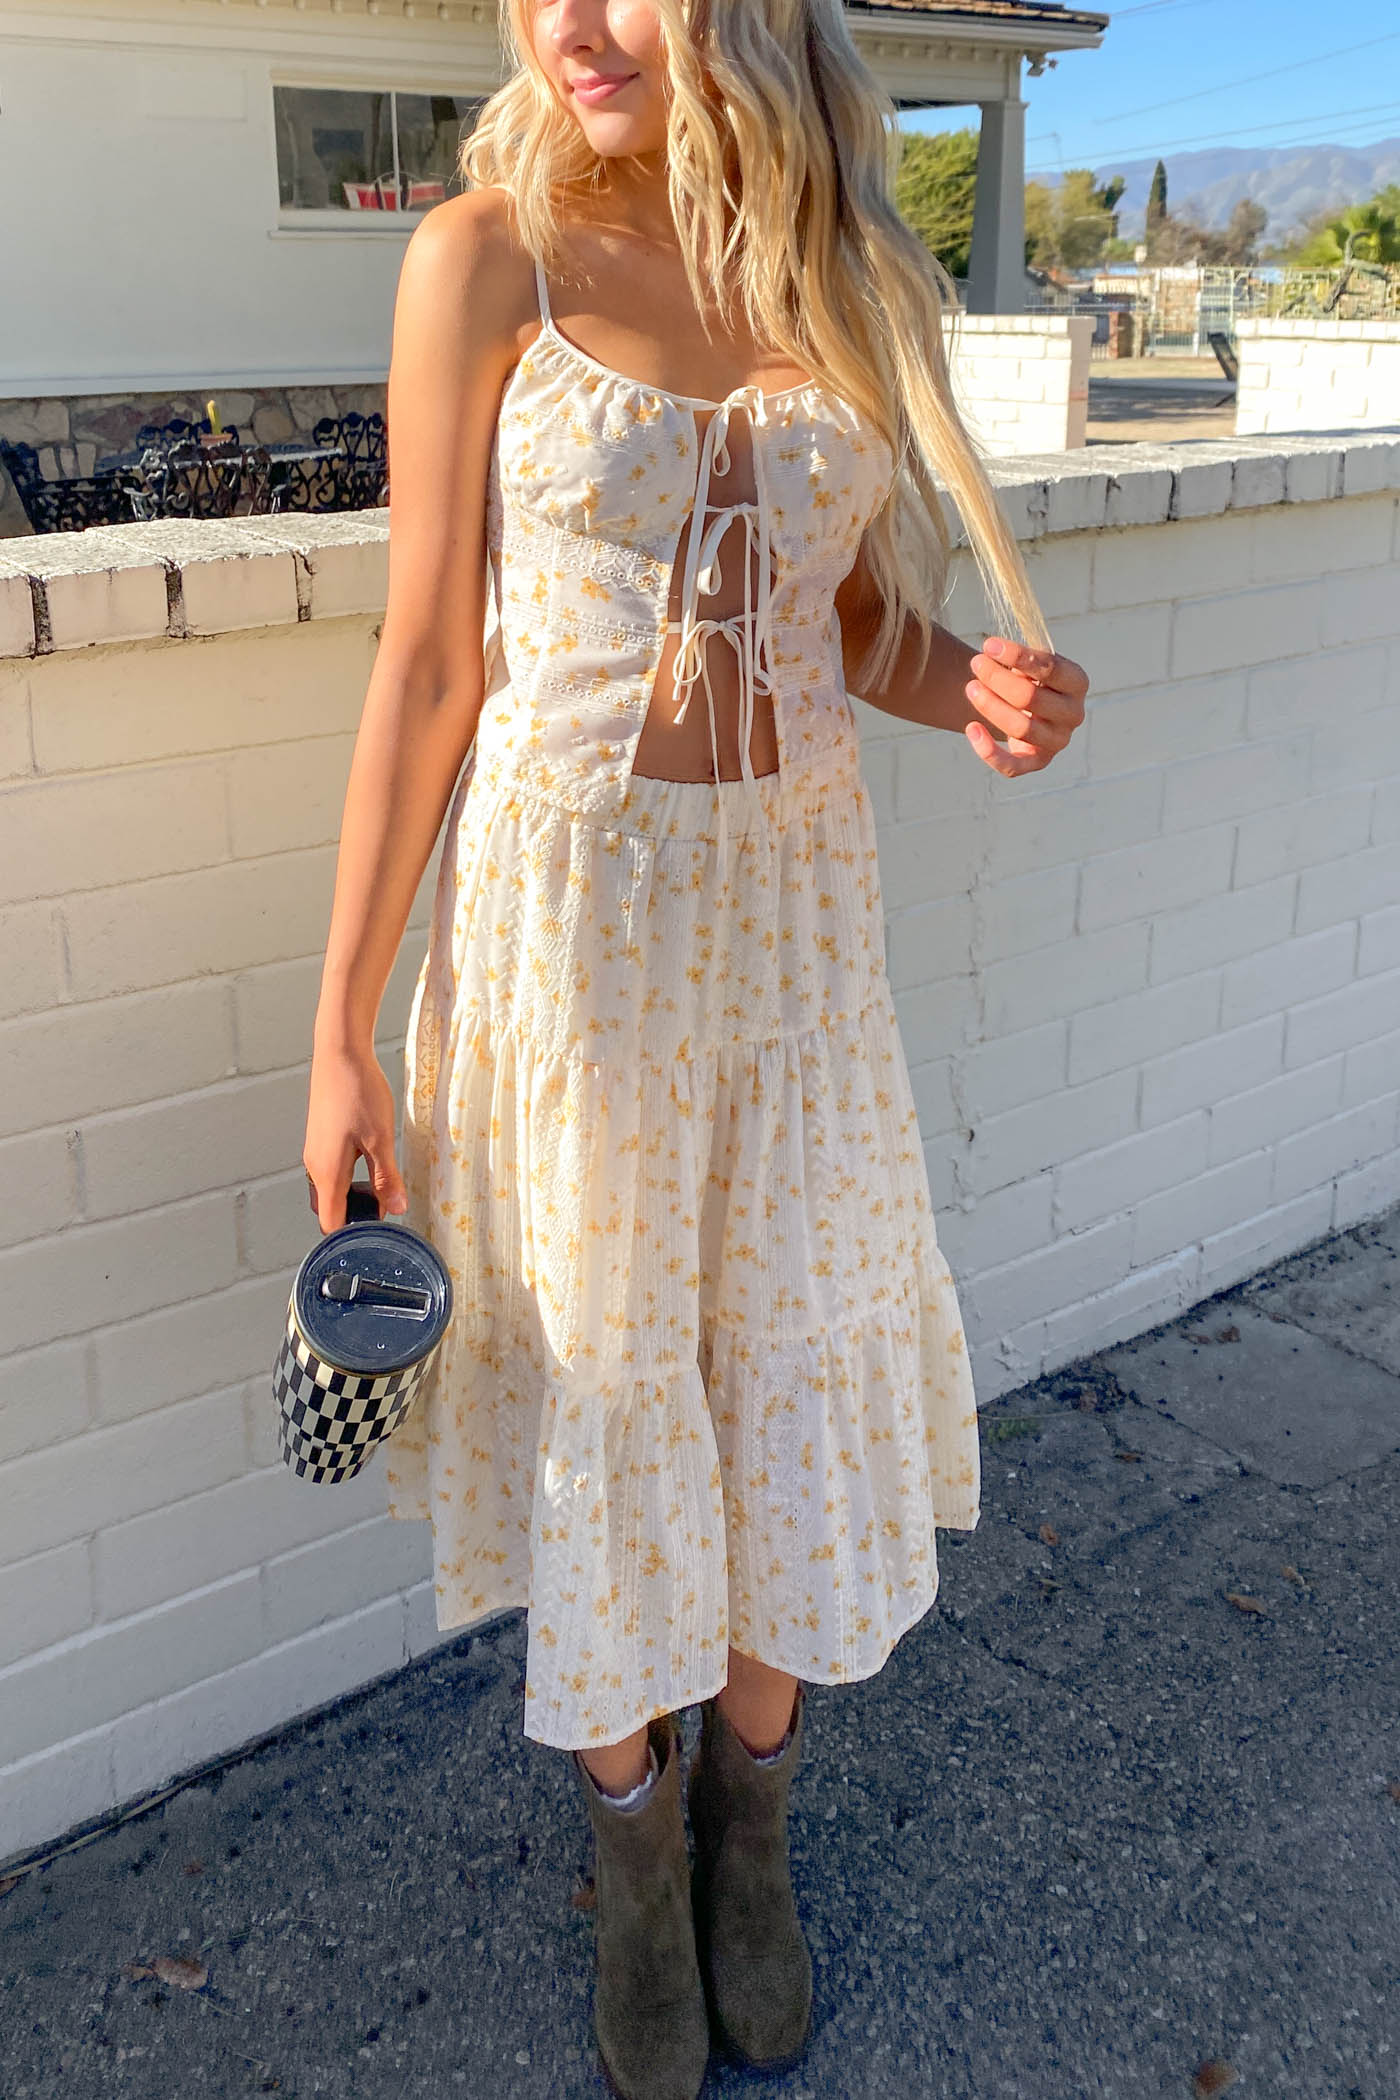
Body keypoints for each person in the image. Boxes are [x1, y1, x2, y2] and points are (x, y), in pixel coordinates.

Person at [302, 2, 1088, 2093]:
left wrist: (977, 694)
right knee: (616, 1377)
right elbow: (426, 657)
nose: (573, 20)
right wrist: (343, 1037)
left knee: (784, 1366)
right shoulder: (490, 251)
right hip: (575, 948)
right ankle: (633, 1859)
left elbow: (843, 628)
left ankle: (756, 1835)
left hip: (797, 941)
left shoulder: (842, 264)